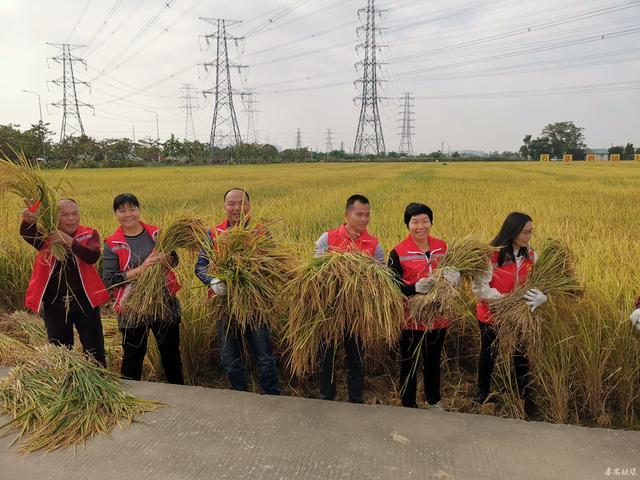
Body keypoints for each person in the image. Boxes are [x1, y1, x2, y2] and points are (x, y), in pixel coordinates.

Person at [195, 188, 280, 395]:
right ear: (224, 207)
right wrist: (213, 281)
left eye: (241, 203)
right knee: (229, 356)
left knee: (264, 354)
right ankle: (239, 396)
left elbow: (275, 262)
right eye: (231, 203)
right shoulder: (214, 233)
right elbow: (200, 266)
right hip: (223, 304)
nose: (236, 208)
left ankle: (272, 396)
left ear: (249, 206)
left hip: (254, 303)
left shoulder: (260, 232)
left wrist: (255, 276)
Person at [102, 193, 184, 384]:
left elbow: (175, 259)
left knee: (171, 353)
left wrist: (169, 259)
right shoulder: (112, 243)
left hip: (163, 301)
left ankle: (180, 395)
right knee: (133, 355)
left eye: (132, 208)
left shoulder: (156, 234)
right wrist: (142, 269)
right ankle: (131, 398)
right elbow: (110, 279)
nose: (128, 214)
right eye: (122, 210)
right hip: (132, 306)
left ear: (139, 210)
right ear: (116, 214)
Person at [472, 211, 547, 416]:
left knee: (521, 354)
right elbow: (479, 288)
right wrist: (505, 299)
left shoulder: (531, 255)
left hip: (519, 316)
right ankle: (482, 392)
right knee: (489, 352)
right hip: (491, 314)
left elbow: (541, 282)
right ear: (512, 231)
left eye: (531, 232)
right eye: (524, 232)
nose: (528, 236)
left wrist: (543, 296)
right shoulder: (491, 254)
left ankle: (524, 395)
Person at [388, 203, 460, 409]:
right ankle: (408, 404)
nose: (421, 226)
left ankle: (434, 401)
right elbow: (392, 285)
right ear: (407, 225)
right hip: (410, 320)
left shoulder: (442, 247)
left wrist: (456, 278)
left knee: (432, 362)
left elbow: (451, 275)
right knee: (409, 363)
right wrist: (414, 288)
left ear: (431, 222)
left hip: (438, 318)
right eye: (415, 221)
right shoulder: (398, 252)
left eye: (425, 221)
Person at [21, 197, 109, 365]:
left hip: (85, 301)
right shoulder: (47, 236)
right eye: (65, 214)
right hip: (55, 303)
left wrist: (69, 241)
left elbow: (92, 256)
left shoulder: (89, 234)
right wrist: (28, 221)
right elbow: (28, 235)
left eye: (75, 213)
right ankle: (65, 383)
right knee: (60, 352)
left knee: (94, 350)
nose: (71, 218)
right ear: (54, 217)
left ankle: (98, 383)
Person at [314, 194, 385, 403]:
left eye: (367, 215)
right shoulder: (327, 239)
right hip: (330, 309)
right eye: (359, 214)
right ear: (347, 214)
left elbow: (382, 277)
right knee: (326, 356)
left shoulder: (374, 245)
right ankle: (327, 397)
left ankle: (355, 400)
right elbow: (315, 272)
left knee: (356, 356)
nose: (364, 220)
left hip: (357, 311)